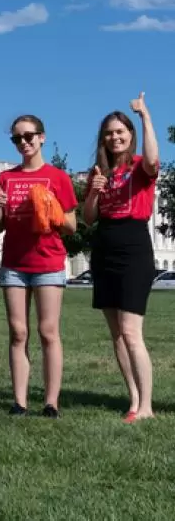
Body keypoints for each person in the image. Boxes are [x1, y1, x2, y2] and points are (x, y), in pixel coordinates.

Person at [0, 115, 77, 419]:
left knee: (48, 331)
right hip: (14, 263)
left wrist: (52, 208)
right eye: (17, 139)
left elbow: (71, 226)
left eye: (29, 136)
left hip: (48, 261)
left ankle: (51, 402)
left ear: (42, 137)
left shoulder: (58, 177)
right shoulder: (5, 178)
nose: (23, 143)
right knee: (17, 332)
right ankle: (20, 401)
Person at [84, 93, 159, 423]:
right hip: (104, 246)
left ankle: (147, 407)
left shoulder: (140, 167)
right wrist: (95, 191)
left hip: (133, 246)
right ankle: (133, 399)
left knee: (131, 331)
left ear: (130, 134)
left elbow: (154, 159)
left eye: (120, 132)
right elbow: (88, 218)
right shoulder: (99, 172)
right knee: (116, 333)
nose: (115, 137)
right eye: (109, 133)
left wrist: (144, 116)